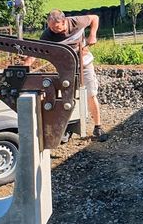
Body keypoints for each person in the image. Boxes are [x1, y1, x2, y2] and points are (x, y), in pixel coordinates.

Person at [24, 9, 108, 142]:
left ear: (64, 22)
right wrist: (26, 65)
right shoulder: (48, 34)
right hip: (65, 68)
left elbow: (94, 18)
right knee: (65, 98)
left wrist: (92, 34)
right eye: (51, 27)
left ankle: (98, 127)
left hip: (84, 63)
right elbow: (38, 50)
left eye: (56, 27)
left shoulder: (76, 22)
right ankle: (65, 129)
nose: (54, 30)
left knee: (91, 94)